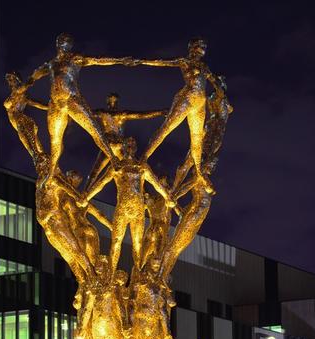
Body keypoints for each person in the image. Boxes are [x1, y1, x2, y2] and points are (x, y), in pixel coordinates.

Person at [26, 33, 134, 182]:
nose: (65, 44)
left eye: (68, 42)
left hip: (72, 100)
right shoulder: (51, 64)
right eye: (63, 42)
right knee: (55, 141)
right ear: (58, 44)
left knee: (94, 130)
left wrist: (120, 60)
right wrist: (27, 83)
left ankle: (112, 158)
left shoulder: (74, 59)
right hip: (56, 105)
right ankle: (51, 172)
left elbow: (98, 60)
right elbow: (36, 74)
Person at [133, 38, 221, 193]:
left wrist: (222, 95)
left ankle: (199, 172)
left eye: (204, 47)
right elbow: (162, 62)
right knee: (166, 128)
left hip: (200, 102)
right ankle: (144, 157)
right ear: (192, 48)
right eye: (200, 46)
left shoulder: (204, 67)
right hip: (186, 98)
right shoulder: (184, 61)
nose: (202, 49)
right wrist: (141, 61)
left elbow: (216, 84)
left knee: (197, 139)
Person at [80, 137, 173, 272]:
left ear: (136, 148)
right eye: (128, 144)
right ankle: (110, 275)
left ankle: (138, 273)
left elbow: (156, 184)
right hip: (122, 210)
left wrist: (167, 196)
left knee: (138, 245)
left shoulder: (142, 167)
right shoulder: (117, 167)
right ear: (123, 147)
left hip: (137, 211)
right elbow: (101, 184)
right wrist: (87, 196)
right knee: (116, 242)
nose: (130, 146)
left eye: (133, 144)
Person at [86, 92, 165, 190]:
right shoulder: (104, 113)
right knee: (96, 172)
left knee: (134, 169)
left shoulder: (117, 114)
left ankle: (143, 194)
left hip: (116, 146)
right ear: (108, 102)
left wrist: (160, 112)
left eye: (114, 100)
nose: (112, 102)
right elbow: (84, 113)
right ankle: (85, 193)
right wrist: (160, 112)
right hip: (110, 146)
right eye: (111, 100)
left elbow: (141, 115)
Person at [3, 71, 48, 172]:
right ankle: (40, 157)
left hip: (22, 120)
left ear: (17, 81)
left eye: (13, 80)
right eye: (10, 81)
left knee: (31, 140)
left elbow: (39, 104)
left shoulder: (22, 96)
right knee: (32, 141)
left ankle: (39, 157)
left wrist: (51, 107)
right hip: (20, 122)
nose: (11, 82)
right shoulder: (14, 95)